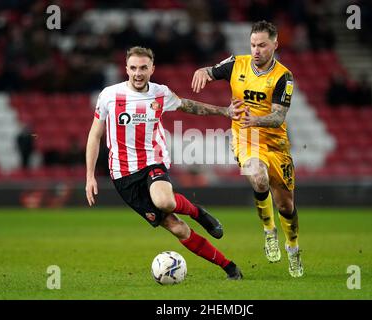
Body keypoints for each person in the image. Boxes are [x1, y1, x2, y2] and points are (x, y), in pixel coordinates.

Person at [85, 46, 243, 280]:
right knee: (177, 227)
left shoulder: (161, 93)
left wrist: (224, 111)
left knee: (164, 201)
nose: (138, 73)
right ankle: (228, 265)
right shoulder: (109, 95)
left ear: (152, 69)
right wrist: (89, 176)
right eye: (134, 68)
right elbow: (94, 135)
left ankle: (198, 214)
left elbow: (189, 106)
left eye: (143, 68)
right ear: (126, 68)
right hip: (123, 175)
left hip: (152, 161)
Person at [191, 20, 303, 277]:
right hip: (245, 137)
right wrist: (202, 72)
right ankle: (268, 231)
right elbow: (211, 71)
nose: (256, 50)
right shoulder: (236, 64)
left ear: (275, 44)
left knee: (286, 205)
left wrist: (256, 119)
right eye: (253, 44)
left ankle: (294, 248)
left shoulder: (283, 77)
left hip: (276, 143)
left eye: (262, 45)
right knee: (258, 177)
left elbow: (278, 117)